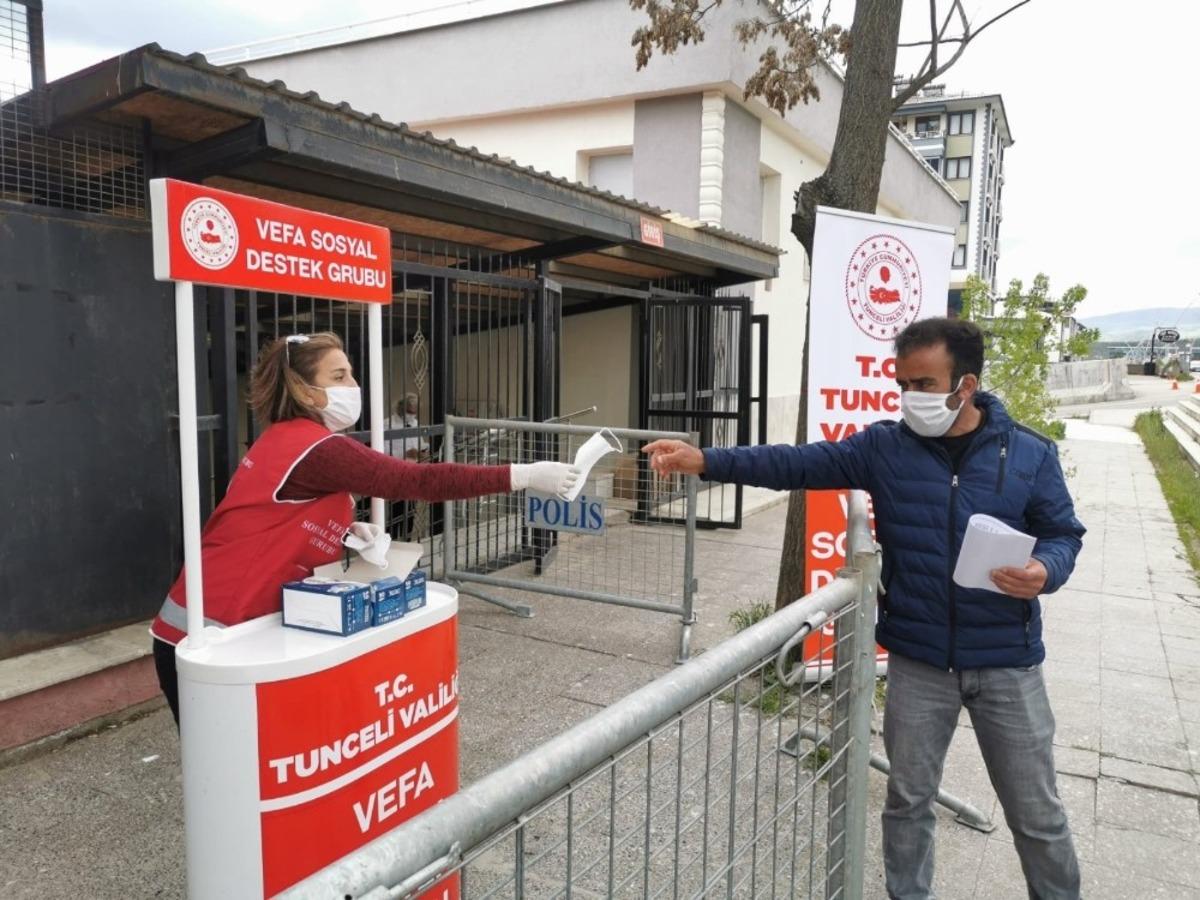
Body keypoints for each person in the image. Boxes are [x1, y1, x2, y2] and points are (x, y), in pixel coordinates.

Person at [643, 317, 1086, 900]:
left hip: (1007, 663)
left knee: (1038, 815)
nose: (910, 397)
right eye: (902, 383)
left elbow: (1063, 535)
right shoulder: (884, 447)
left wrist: (1044, 570)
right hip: (919, 663)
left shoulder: (1029, 453)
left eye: (924, 384)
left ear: (967, 385)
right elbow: (797, 462)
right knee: (907, 804)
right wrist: (708, 461)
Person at [151, 332, 577, 725]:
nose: (353, 385)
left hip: (209, 628)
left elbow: (264, 516)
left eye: (351, 373)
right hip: (217, 634)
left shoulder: (282, 438)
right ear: (302, 388)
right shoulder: (315, 448)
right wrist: (522, 474)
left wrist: (343, 529)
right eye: (339, 376)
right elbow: (416, 481)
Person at [387, 392, 429, 538]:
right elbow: (381, 451)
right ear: (401, 408)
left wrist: (422, 451)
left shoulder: (415, 423)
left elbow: (420, 443)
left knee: (411, 511)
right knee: (395, 513)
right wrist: (404, 454)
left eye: (415, 412)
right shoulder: (388, 425)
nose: (413, 415)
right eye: (410, 412)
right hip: (396, 473)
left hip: (413, 472)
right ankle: (390, 542)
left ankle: (407, 540)